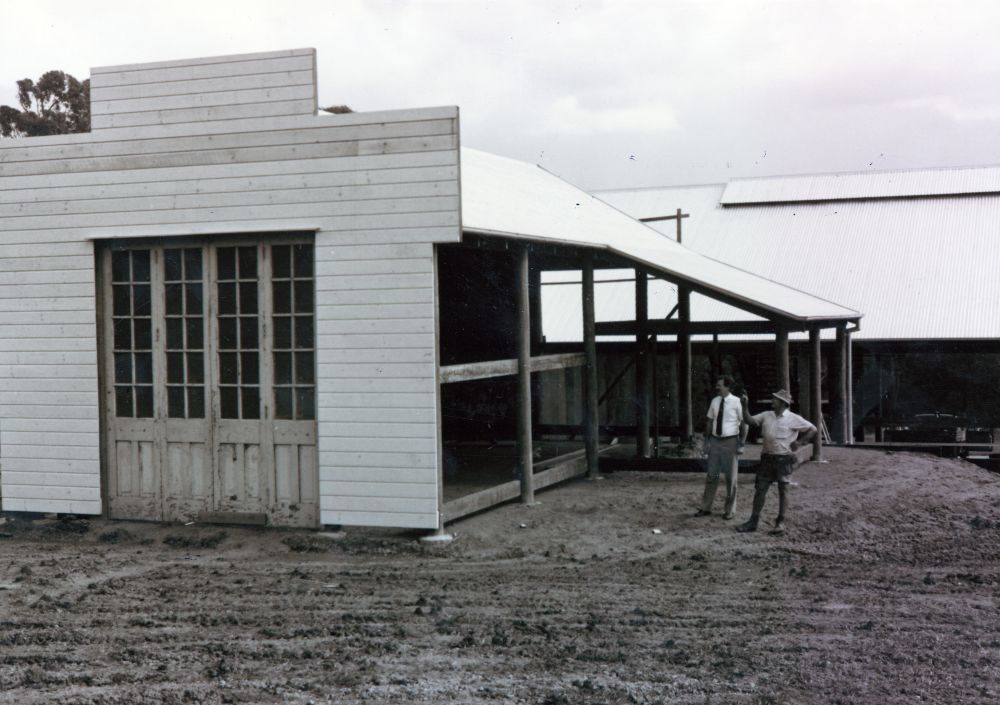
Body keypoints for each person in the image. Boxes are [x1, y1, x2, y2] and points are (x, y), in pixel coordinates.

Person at [736, 389, 817, 534]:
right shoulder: (767, 415)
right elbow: (749, 420)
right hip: (767, 458)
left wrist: (799, 443)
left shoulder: (793, 418)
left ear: (782, 403)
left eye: (775, 399)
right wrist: (745, 406)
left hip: (784, 459)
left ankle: (780, 523)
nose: (772, 401)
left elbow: (813, 429)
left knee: (783, 491)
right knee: (760, 490)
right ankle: (753, 522)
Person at [695, 375, 745, 520]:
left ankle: (730, 510)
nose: (717, 387)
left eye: (720, 385)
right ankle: (705, 507)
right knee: (712, 475)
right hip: (715, 441)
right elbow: (710, 421)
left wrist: (741, 443)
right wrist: (707, 441)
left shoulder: (737, 402)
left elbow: (744, 424)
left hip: (731, 441)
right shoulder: (715, 401)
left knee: (731, 478)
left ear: (728, 387)